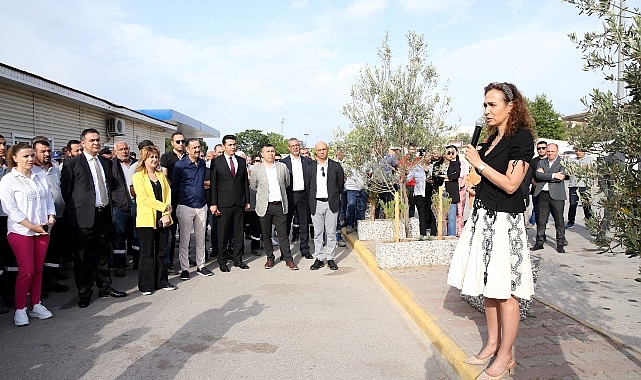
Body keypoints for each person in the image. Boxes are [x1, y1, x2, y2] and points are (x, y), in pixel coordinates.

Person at [447, 82, 535, 379]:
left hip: (504, 223)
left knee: (505, 291)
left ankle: (506, 355)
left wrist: (480, 166)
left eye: (492, 104)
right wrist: (473, 176)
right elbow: (482, 175)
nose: (486, 110)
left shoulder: (521, 138)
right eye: (484, 105)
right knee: (488, 287)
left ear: (511, 106)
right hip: (483, 219)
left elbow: (511, 183)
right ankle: (492, 344)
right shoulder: (492, 139)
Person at [61, 128, 127, 308]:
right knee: (83, 257)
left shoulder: (105, 163)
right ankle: (84, 291)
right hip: (82, 219)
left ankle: (105, 286)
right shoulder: (72, 163)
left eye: (98, 140)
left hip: (103, 214)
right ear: (83, 143)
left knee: (103, 253)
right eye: (92, 140)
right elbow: (66, 191)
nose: (96, 143)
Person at [0, 143, 56, 326]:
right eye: (26, 156)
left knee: (39, 270)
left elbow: (49, 200)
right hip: (21, 232)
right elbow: (11, 209)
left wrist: (51, 217)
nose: (31, 159)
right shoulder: (8, 180)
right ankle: (20, 308)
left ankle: (36, 304)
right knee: (27, 271)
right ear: (14, 158)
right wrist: (31, 226)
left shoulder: (39, 177)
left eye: (32, 155)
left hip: (42, 230)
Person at [132, 146, 176, 294]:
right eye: (151, 157)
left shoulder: (161, 175)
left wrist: (166, 213)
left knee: (161, 251)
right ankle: (146, 285)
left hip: (163, 218)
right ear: (144, 159)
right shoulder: (138, 176)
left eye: (156, 157)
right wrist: (164, 207)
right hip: (146, 220)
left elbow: (168, 194)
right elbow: (143, 198)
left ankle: (162, 281)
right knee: (147, 253)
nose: (155, 160)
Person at [250, 144, 298, 270]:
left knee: (283, 234)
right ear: (262, 155)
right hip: (264, 206)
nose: (270, 153)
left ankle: (288, 259)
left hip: (279, 205)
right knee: (266, 234)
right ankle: (270, 258)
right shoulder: (257, 170)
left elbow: (287, 182)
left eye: (272, 151)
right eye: (267, 152)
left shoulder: (282, 167)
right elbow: (254, 186)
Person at [31, 140, 68, 295]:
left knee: (54, 251)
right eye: (42, 151)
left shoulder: (55, 169)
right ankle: (40, 286)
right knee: (41, 253)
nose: (46, 154)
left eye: (48, 151)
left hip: (58, 217)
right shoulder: (32, 171)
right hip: (41, 220)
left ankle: (52, 280)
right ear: (34, 152)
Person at [172, 138, 212, 280]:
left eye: (198, 147)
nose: (197, 150)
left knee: (201, 239)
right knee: (184, 240)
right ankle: (185, 269)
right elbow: (174, 187)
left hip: (201, 205)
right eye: (194, 147)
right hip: (185, 206)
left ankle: (201, 266)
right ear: (187, 149)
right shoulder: (180, 165)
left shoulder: (202, 163)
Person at [209, 134, 251, 272]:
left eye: (234, 144)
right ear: (224, 146)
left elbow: (245, 181)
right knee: (222, 233)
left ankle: (238, 259)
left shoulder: (241, 160)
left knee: (238, 233)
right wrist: (214, 203)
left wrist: (247, 200)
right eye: (230, 144)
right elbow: (214, 184)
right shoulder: (217, 161)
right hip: (223, 203)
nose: (233, 147)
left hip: (239, 202)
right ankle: (222, 261)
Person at [305, 141, 345, 271]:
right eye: (319, 150)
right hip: (316, 203)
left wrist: (333, 196)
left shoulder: (336, 166)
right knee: (318, 233)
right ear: (316, 151)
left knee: (331, 232)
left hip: (331, 203)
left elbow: (340, 186)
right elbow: (308, 186)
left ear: (328, 150)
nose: (322, 152)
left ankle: (331, 258)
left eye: (324, 149)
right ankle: (319, 258)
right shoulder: (310, 167)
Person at [280, 138, 313, 259]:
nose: (295, 147)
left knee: (304, 224)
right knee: (286, 224)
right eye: (292, 146)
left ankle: (305, 249)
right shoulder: (283, 163)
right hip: (289, 196)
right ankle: (285, 252)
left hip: (303, 195)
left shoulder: (307, 162)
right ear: (289, 148)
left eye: (297, 145)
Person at [532, 143, 568, 253]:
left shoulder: (562, 163)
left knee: (559, 220)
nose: (549, 153)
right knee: (541, 220)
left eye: (552, 151)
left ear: (557, 151)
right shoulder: (541, 162)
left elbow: (561, 177)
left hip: (556, 195)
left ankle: (560, 244)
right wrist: (553, 175)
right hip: (542, 194)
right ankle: (539, 242)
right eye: (548, 151)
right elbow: (538, 175)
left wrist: (546, 175)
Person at [110, 141, 139, 277]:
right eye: (121, 149)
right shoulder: (111, 165)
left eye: (126, 149)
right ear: (115, 152)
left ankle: (138, 262)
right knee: (119, 237)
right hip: (119, 206)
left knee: (136, 235)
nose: (124, 151)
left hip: (136, 205)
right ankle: (120, 265)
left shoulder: (137, 164)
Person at [160, 132, 185, 274]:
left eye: (182, 141)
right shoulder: (167, 157)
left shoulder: (188, 157)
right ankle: (169, 262)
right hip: (172, 200)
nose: (181, 144)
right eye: (178, 142)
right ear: (172, 143)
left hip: (186, 199)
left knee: (185, 232)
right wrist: (174, 188)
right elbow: (164, 177)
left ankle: (185, 259)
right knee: (171, 232)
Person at [436, 145, 461, 236]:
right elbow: (436, 177)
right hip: (440, 192)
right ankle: (440, 235)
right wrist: (447, 177)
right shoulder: (438, 164)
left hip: (451, 193)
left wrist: (446, 177)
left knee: (451, 218)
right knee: (440, 216)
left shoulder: (456, 164)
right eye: (448, 152)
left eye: (452, 153)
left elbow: (455, 175)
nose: (450, 155)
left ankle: (451, 236)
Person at [566, 148, 594, 228]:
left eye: (579, 151)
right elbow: (568, 170)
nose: (578, 153)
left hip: (585, 186)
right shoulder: (571, 160)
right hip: (573, 185)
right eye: (576, 151)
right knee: (572, 204)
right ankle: (570, 222)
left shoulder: (590, 160)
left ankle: (589, 222)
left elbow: (591, 170)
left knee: (586, 205)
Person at [406, 156, 433, 236]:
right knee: (422, 214)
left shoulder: (433, 167)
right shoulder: (417, 168)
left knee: (431, 214)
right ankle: (423, 234)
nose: (430, 158)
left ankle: (433, 234)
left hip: (430, 194)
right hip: (419, 194)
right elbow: (408, 178)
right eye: (428, 156)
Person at [527, 141, 548, 228]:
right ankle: (533, 221)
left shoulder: (550, 160)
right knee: (536, 206)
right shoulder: (533, 161)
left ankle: (543, 223)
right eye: (539, 148)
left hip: (548, 189)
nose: (541, 150)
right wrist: (535, 184)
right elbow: (530, 175)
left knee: (546, 208)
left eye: (543, 148)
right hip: (536, 188)